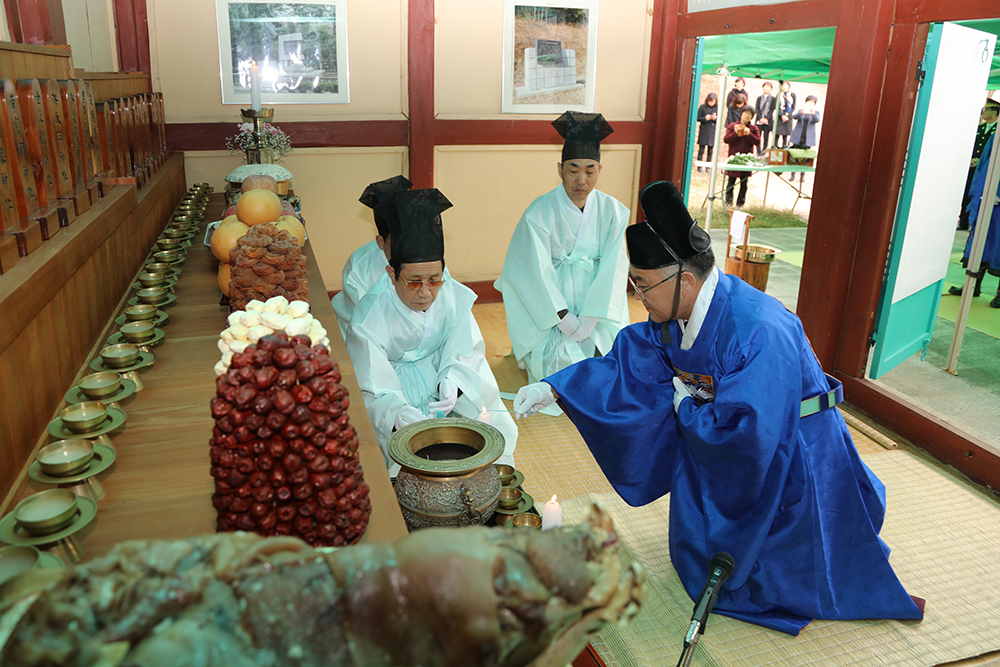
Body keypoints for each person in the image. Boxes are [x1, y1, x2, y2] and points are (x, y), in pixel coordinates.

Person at [512, 180, 925, 636]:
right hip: (722, 431)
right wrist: (558, 388)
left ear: (685, 280)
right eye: (636, 284)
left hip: (793, 451)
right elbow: (633, 359)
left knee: (779, 575)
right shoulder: (678, 313)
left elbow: (751, 433)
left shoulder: (758, 329)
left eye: (644, 285)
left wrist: (687, 410)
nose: (639, 297)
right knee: (707, 519)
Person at [347, 189, 518, 475]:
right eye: (414, 282)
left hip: (441, 373)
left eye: (434, 279)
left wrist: (454, 380)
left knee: (489, 425)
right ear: (392, 274)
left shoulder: (449, 291)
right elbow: (372, 385)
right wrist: (398, 412)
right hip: (395, 384)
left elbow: (465, 347)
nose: (426, 292)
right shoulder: (368, 317)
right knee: (407, 462)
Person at [494, 111, 631, 385]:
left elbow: (615, 267)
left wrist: (592, 317)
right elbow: (530, 273)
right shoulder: (539, 213)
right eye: (573, 170)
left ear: (600, 171)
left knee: (615, 366)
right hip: (551, 306)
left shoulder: (613, 211)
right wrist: (563, 319)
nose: (581, 180)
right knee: (558, 374)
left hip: (595, 300)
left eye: (590, 170)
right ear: (560, 169)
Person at [331, 175, 413, 339]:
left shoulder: (425, 255)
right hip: (362, 332)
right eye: (397, 241)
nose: (406, 247)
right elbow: (367, 318)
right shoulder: (359, 267)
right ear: (380, 241)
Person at [952, 131, 1000, 306]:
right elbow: (984, 164)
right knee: (979, 241)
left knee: (999, 247)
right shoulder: (997, 134)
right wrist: (980, 191)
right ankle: (972, 285)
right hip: (989, 196)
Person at [958, 99, 999, 231]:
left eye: (986, 109)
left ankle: (973, 222)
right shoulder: (979, 128)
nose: (983, 112)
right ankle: (963, 222)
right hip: (971, 168)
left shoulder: (997, 130)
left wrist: (979, 160)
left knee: (979, 192)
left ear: (995, 112)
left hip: (985, 170)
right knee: (966, 194)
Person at [723, 107, 760, 208]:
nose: (746, 116)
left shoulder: (753, 128)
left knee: (744, 183)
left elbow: (757, 141)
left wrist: (749, 134)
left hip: (746, 160)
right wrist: (736, 133)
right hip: (734, 159)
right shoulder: (732, 126)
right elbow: (726, 139)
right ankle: (728, 201)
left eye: (749, 115)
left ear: (752, 117)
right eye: (745, 113)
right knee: (731, 181)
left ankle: (741, 203)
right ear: (741, 114)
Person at [790, 95, 822, 184]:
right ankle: (792, 174)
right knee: (795, 155)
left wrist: (813, 113)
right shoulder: (801, 110)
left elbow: (817, 120)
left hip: (807, 138)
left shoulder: (816, 112)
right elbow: (794, 117)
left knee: (805, 157)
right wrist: (802, 112)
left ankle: (802, 175)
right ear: (806, 102)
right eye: (809, 101)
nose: (810, 103)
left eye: (812, 102)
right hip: (799, 136)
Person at [696, 93, 719, 173]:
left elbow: (719, 120)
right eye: (710, 101)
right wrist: (705, 118)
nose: (711, 103)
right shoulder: (702, 107)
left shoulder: (717, 108)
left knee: (710, 150)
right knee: (701, 149)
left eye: (713, 102)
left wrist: (715, 118)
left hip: (712, 130)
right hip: (704, 129)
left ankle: (708, 167)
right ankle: (699, 166)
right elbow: (698, 118)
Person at [754, 82, 776, 153]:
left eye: (769, 87)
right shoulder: (759, 98)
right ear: (763, 87)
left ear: (771, 88)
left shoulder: (773, 99)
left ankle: (764, 151)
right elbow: (757, 108)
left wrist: (766, 118)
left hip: (768, 121)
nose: (767, 88)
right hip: (759, 120)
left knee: (766, 137)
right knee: (758, 136)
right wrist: (760, 118)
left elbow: (772, 109)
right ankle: (758, 151)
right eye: (765, 86)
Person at [774, 81, 796, 149]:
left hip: (788, 118)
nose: (784, 87)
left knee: (785, 136)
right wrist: (782, 115)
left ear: (789, 87)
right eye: (783, 85)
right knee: (776, 135)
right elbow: (776, 106)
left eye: (786, 85)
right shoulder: (779, 95)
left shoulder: (792, 95)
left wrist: (787, 115)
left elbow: (793, 106)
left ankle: (784, 148)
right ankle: (775, 147)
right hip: (779, 117)